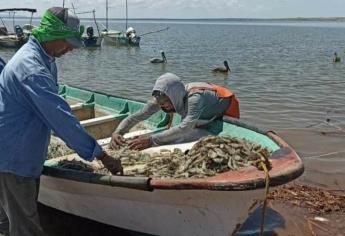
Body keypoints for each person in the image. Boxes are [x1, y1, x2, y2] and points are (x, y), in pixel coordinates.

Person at [0, 7, 122, 236]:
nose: (70, 49)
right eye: (67, 42)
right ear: (51, 33)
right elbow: (60, 117)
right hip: (14, 159)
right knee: (25, 229)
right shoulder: (31, 68)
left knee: (8, 223)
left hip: (17, 154)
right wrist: (101, 155)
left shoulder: (45, 58)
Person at [111, 72, 240, 150]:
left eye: (166, 101)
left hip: (220, 107)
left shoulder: (195, 98)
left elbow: (185, 128)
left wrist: (151, 140)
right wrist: (118, 132)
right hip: (196, 113)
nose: (163, 106)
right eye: (160, 103)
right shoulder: (161, 98)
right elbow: (136, 116)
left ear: (175, 96)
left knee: (183, 134)